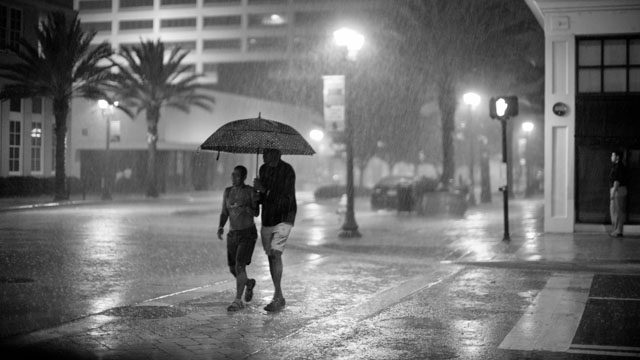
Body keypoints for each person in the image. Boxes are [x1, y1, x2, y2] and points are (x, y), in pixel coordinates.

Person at [253, 148, 296, 312]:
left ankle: (277, 295)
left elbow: (286, 197)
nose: (263, 156)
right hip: (268, 218)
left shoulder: (287, 171)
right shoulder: (263, 169)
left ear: (276, 154)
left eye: (267, 153)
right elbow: (265, 197)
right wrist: (257, 195)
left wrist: (265, 190)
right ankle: (279, 295)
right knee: (271, 255)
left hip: (284, 216)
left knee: (276, 253)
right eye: (263, 153)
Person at [218, 165, 259, 311]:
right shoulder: (228, 192)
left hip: (247, 233)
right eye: (233, 175)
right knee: (232, 267)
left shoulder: (250, 191)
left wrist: (247, 206)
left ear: (243, 177)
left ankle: (237, 300)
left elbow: (256, 212)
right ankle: (248, 283)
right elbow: (224, 212)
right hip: (233, 233)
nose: (234, 178)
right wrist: (221, 226)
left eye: (237, 175)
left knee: (240, 265)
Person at [609, 150, 628, 238]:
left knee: (617, 211)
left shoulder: (618, 167)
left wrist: (613, 192)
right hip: (620, 190)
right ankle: (617, 230)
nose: (611, 157)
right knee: (618, 211)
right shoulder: (619, 166)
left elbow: (617, 180)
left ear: (617, 157)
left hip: (618, 190)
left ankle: (618, 231)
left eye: (613, 155)